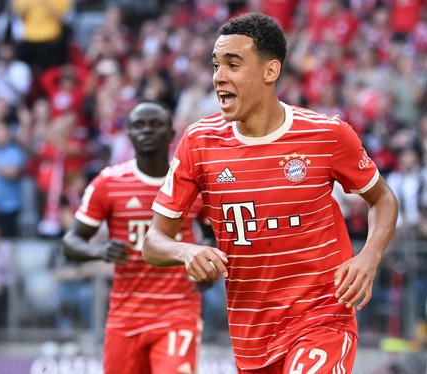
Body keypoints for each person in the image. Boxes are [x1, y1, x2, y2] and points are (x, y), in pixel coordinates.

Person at [142, 13, 399, 374]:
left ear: (270, 71)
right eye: (216, 65)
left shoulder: (327, 134)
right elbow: (153, 242)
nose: (219, 76)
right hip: (252, 334)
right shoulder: (198, 142)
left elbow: (383, 197)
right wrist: (186, 251)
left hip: (322, 317)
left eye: (233, 64)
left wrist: (369, 256)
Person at [61, 100, 213, 374]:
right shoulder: (108, 183)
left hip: (178, 311)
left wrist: (206, 267)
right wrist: (100, 251)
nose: (147, 131)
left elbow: (214, 236)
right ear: (129, 134)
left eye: (155, 124)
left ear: (170, 133)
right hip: (126, 315)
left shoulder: (193, 184)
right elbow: (70, 243)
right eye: (139, 125)